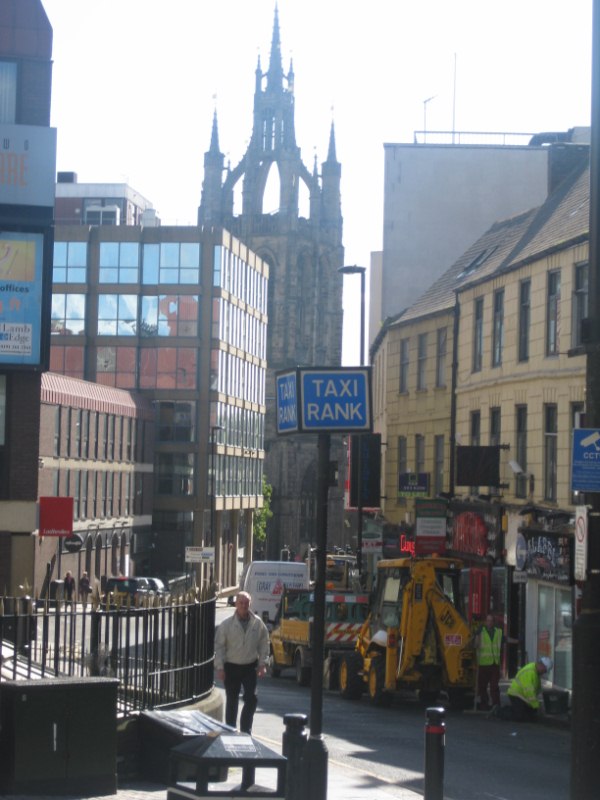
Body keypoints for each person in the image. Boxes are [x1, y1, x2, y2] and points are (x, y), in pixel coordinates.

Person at [214, 591, 269, 735]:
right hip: (231, 666)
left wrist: (262, 664)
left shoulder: (258, 623)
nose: (244, 606)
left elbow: (264, 643)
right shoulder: (226, 624)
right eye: (241, 603)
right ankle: (230, 730)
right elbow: (219, 646)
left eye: (246, 603)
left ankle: (246, 730)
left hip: (250, 666)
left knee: (252, 699)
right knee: (232, 700)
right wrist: (220, 667)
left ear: (250, 604)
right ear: (236, 604)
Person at [475, 613, 517, 712]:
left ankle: (496, 705)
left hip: (494, 664)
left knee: (494, 686)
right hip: (483, 664)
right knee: (482, 686)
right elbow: (476, 645)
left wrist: (517, 641)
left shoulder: (498, 632)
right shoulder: (481, 632)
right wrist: (477, 635)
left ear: (494, 622)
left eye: (491, 621)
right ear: (485, 622)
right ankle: (484, 704)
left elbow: (505, 639)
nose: (489, 622)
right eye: (488, 620)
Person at [506, 657, 553, 721]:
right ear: (542, 666)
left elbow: (536, 689)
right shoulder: (531, 672)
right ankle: (499, 711)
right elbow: (530, 693)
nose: (544, 672)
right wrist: (537, 706)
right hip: (516, 695)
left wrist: (537, 705)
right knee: (519, 716)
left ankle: (515, 709)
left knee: (530, 713)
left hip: (522, 695)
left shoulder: (535, 671)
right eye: (545, 670)